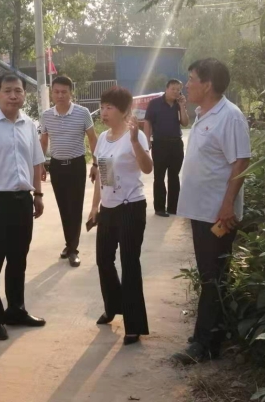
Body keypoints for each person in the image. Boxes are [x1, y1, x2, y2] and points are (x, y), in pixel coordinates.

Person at [172, 59, 251, 365]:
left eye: (191, 79)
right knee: (210, 276)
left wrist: (228, 204)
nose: (187, 84)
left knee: (213, 277)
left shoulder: (229, 116)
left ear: (207, 85)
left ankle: (205, 344)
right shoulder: (204, 114)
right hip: (202, 211)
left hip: (217, 214)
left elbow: (241, 161)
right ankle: (208, 336)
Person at [0, 73, 47, 342]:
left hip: (22, 201)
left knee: (18, 259)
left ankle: (16, 310)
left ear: (24, 94)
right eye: (8, 91)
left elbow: (36, 162)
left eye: (18, 91)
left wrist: (38, 194)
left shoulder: (29, 124)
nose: (14, 96)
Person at [88, 86, 153, 346]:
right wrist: (95, 206)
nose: (104, 112)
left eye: (110, 108)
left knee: (129, 262)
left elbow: (147, 169)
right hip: (109, 208)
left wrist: (136, 142)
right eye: (102, 107)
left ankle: (134, 325)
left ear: (125, 111)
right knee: (103, 259)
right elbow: (103, 175)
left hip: (131, 207)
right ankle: (113, 306)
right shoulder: (104, 138)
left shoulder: (135, 136)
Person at [40, 76, 98, 267]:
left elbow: (92, 138)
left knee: (75, 207)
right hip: (56, 167)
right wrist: (40, 164)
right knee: (64, 208)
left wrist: (95, 164)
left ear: (71, 93)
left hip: (76, 166)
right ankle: (69, 244)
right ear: (52, 93)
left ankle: (73, 250)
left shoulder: (82, 113)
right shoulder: (47, 115)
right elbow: (43, 141)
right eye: (56, 92)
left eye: (64, 92)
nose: (60, 95)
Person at [143, 79, 189, 218]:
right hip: (159, 144)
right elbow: (147, 122)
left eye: (178, 89)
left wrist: (182, 107)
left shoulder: (178, 104)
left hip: (176, 144)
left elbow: (185, 123)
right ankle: (159, 208)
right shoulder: (155, 103)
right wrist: (147, 141)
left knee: (174, 176)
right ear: (167, 89)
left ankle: (173, 207)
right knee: (159, 176)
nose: (176, 92)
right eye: (173, 89)